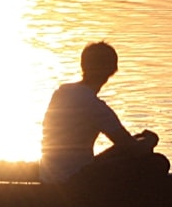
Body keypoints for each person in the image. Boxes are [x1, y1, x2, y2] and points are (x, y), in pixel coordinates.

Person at [39, 41, 165, 185]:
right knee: (158, 162)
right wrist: (150, 140)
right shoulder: (95, 107)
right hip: (74, 179)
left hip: (49, 175)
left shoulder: (62, 92)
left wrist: (139, 140)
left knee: (133, 142)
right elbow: (132, 149)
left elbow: (124, 143)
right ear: (111, 70)